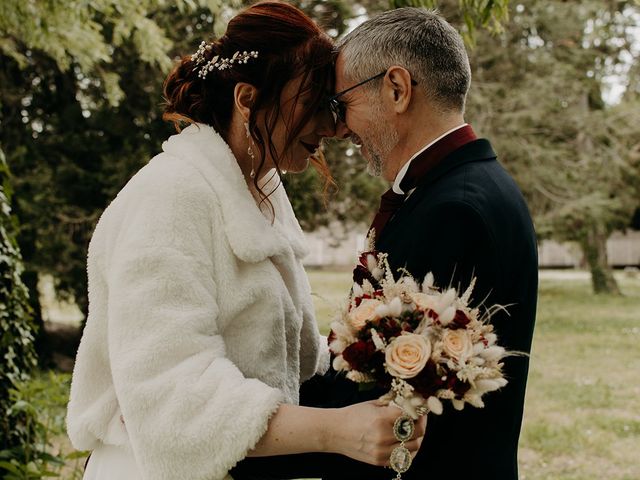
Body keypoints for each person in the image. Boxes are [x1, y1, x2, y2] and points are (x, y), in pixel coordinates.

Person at [66, 3, 426, 480]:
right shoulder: (171, 198)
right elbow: (173, 402)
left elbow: (279, 359)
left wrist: (374, 352)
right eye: (313, 100)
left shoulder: (260, 194)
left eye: (334, 105)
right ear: (247, 98)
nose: (333, 127)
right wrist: (336, 431)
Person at [233, 7, 538, 480]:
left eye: (342, 104)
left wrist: (235, 443)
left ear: (396, 89)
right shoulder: (464, 188)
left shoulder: (454, 211)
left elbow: (380, 398)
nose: (338, 129)